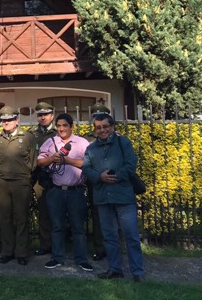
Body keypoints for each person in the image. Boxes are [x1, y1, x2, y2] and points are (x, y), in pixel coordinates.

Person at [82, 113, 146, 282]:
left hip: (123, 196)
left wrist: (115, 176)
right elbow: (86, 168)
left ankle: (137, 272)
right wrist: (99, 177)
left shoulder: (123, 143)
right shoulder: (91, 149)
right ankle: (114, 269)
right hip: (103, 197)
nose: (102, 130)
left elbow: (131, 164)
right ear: (95, 130)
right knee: (109, 236)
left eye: (105, 126)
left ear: (112, 126)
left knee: (131, 235)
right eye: (98, 127)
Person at [37, 113, 93, 272]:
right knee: (56, 227)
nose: (61, 128)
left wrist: (67, 161)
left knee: (78, 227)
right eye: (59, 126)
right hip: (56, 191)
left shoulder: (82, 143)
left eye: (65, 125)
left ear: (71, 127)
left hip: (76, 191)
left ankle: (82, 259)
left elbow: (89, 164)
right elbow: (40, 161)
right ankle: (57, 258)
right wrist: (52, 158)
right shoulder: (50, 142)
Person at [0, 105, 37, 266]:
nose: (6, 122)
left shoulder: (28, 137)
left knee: (22, 218)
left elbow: (32, 161)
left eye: (10, 119)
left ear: (17, 120)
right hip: (2, 182)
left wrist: (25, 176)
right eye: (3, 120)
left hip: (21, 182)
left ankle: (22, 252)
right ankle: (7, 251)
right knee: (4, 218)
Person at [82, 100, 111, 261]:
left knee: (114, 215)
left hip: (113, 181)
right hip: (95, 182)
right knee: (97, 215)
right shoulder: (87, 138)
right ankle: (99, 249)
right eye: (95, 117)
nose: (97, 120)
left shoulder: (117, 137)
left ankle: (113, 247)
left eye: (101, 116)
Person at [29, 101, 56, 257]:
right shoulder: (32, 135)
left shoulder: (58, 133)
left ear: (52, 116)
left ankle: (58, 244)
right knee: (44, 213)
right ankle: (46, 245)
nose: (43, 117)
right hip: (39, 178)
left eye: (45, 114)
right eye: (40, 115)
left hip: (56, 176)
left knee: (58, 212)